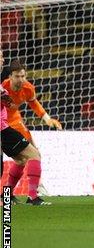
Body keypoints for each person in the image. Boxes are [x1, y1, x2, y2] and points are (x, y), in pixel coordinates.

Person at [2, 59, 62, 199]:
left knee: (28, 156)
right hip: (3, 124)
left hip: (15, 121)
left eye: (23, 76)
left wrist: (47, 119)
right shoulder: (3, 87)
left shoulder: (28, 88)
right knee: (30, 155)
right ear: (10, 77)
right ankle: (33, 193)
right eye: (17, 76)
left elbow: (33, 103)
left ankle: (11, 194)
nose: (21, 79)